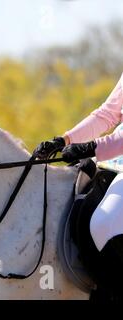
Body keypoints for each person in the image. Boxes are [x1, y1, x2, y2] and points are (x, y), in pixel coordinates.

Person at [34, 73, 123, 272]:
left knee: (102, 225)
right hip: (110, 162)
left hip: (112, 159)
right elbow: (106, 115)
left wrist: (90, 148)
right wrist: (64, 140)